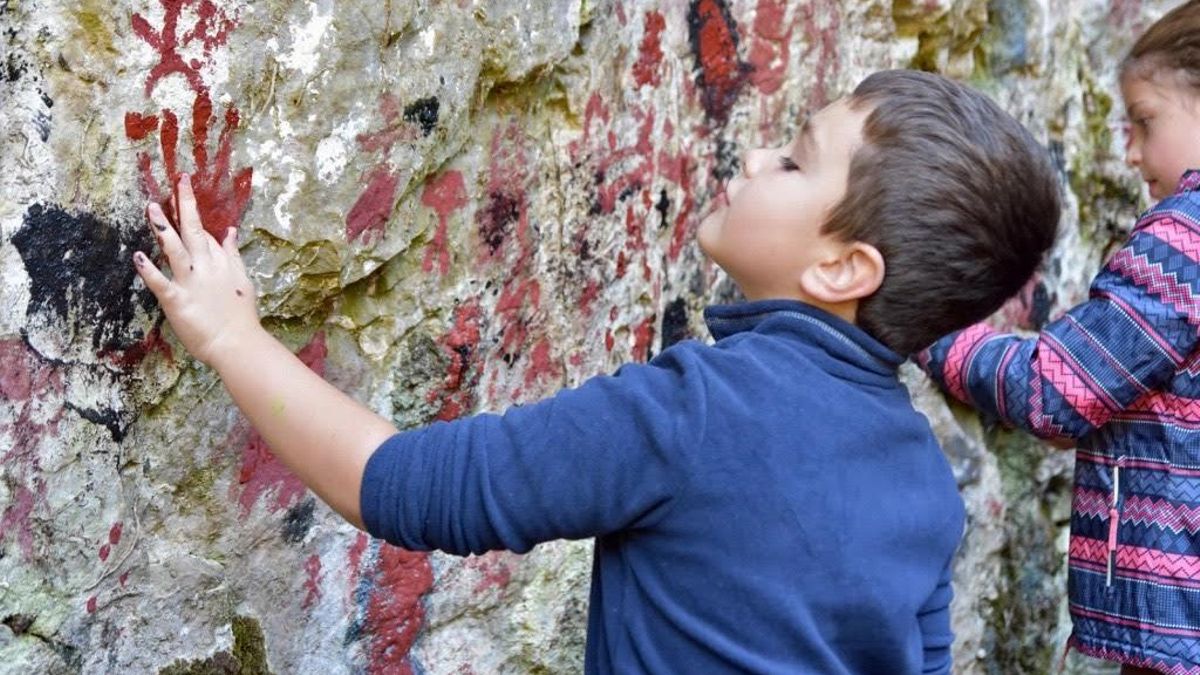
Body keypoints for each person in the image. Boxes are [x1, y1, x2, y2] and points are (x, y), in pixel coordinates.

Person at [132, 69, 1060, 674]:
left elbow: (404, 486)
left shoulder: (698, 413)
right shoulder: (926, 486)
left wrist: (231, 338)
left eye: (792, 161)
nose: (754, 156)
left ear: (843, 269)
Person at [917, 2, 1200, 673]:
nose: (1130, 153)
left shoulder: (1184, 239)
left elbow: (1056, 389)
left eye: (1145, 121)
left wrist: (935, 336)